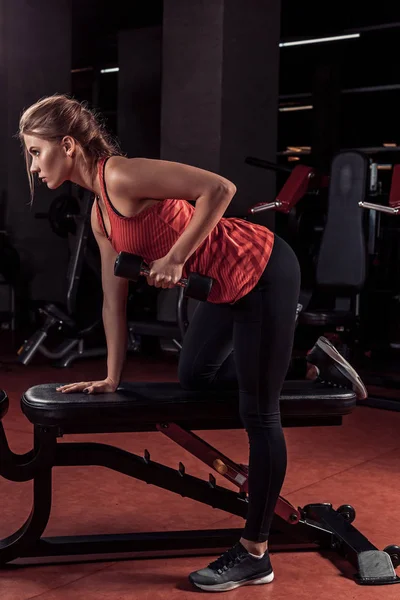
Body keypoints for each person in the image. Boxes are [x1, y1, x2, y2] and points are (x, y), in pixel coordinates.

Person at [19, 94, 366, 592]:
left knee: (258, 413)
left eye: (35, 151)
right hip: (225, 290)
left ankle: (255, 552)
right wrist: (112, 376)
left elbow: (219, 188)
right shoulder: (100, 214)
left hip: (263, 269)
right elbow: (112, 300)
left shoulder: (122, 175)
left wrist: (178, 257)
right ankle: (310, 366)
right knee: (194, 376)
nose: (33, 165)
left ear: (68, 145)